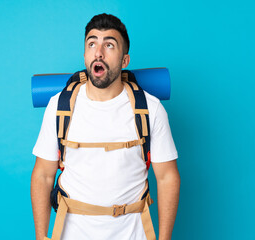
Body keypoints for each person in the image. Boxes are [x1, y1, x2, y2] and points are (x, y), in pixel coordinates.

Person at [31, 13, 180, 240]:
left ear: (124, 61)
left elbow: (167, 177)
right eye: (92, 43)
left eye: (109, 45)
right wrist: (41, 236)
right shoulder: (59, 106)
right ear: (84, 55)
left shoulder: (151, 109)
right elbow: (42, 174)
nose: (98, 52)